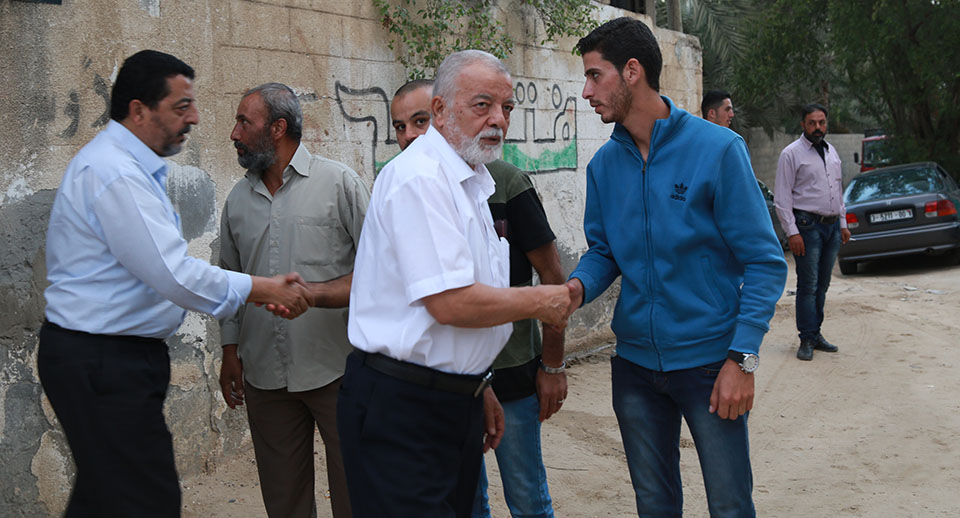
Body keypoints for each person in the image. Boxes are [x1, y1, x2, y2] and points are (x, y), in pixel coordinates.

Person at [37, 50, 310, 518]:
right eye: (181, 106)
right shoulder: (115, 173)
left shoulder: (130, 167)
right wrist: (265, 288)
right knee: (145, 498)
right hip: (102, 360)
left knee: (109, 496)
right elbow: (174, 274)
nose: (195, 118)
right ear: (139, 110)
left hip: (109, 357)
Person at [565, 18, 787, 517]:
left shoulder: (718, 150)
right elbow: (605, 251)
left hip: (711, 364)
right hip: (635, 368)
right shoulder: (603, 167)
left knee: (730, 505)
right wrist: (575, 289)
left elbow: (765, 261)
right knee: (654, 505)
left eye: (595, 75)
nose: (586, 92)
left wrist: (743, 358)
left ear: (632, 71)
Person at [339, 50, 571, 518]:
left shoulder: (471, 180)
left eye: (506, 107)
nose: (498, 120)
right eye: (483, 105)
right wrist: (542, 301)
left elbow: (452, 321)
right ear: (441, 110)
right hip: (403, 407)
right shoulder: (420, 178)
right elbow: (450, 304)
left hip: (450, 396)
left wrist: (477, 385)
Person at [219, 83, 369, 518]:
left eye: (244, 122)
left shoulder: (339, 183)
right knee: (284, 500)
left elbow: (381, 271)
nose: (234, 133)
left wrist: (317, 296)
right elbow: (230, 281)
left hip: (337, 369)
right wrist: (229, 350)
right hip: (265, 375)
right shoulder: (237, 201)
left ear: (278, 128)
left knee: (358, 493)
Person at [774, 103, 850, 361]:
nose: (818, 128)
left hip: (831, 227)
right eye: (812, 123)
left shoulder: (831, 151)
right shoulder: (791, 154)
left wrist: (843, 223)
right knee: (808, 284)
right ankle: (806, 338)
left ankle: (816, 334)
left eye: (822, 122)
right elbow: (782, 198)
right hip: (807, 227)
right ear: (803, 124)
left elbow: (837, 190)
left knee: (823, 284)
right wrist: (792, 232)